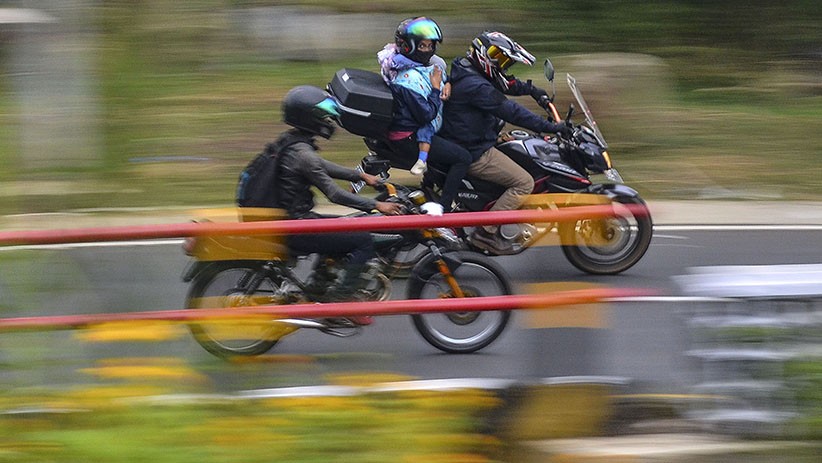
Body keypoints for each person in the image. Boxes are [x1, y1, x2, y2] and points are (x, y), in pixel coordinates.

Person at [237, 85, 401, 315]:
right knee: (362, 238)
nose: (329, 119)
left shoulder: (292, 142)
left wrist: (360, 176)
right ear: (309, 117)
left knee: (342, 228)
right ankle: (343, 300)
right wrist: (377, 205)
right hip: (296, 226)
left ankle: (318, 285)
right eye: (323, 114)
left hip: (289, 221)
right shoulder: (302, 154)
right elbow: (334, 194)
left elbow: (321, 167)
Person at [440, 31, 572, 254]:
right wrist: (550, 127)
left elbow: (505, 83)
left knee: (520, 145)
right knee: (524, 182)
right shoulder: (476, 86)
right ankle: (486, 232)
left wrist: (532, 90)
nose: (500, 64)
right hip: (473, 150)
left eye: (504, 61)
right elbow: (512, 112)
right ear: (482, 53)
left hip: (471, 139)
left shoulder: (467, 68)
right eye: (497, 57)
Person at [377, 16, 472, 210]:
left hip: (418, 129)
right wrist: (437, 89)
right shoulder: (407, 78)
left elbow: (438, 78)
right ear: (406, 46)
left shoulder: (422, 67)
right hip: (409, 136)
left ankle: (428, 192)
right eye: (422, 46)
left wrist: (447, 83)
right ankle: (443, 209)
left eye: (431, 46)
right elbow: (426, 114)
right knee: (462, 158)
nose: (428, 50)